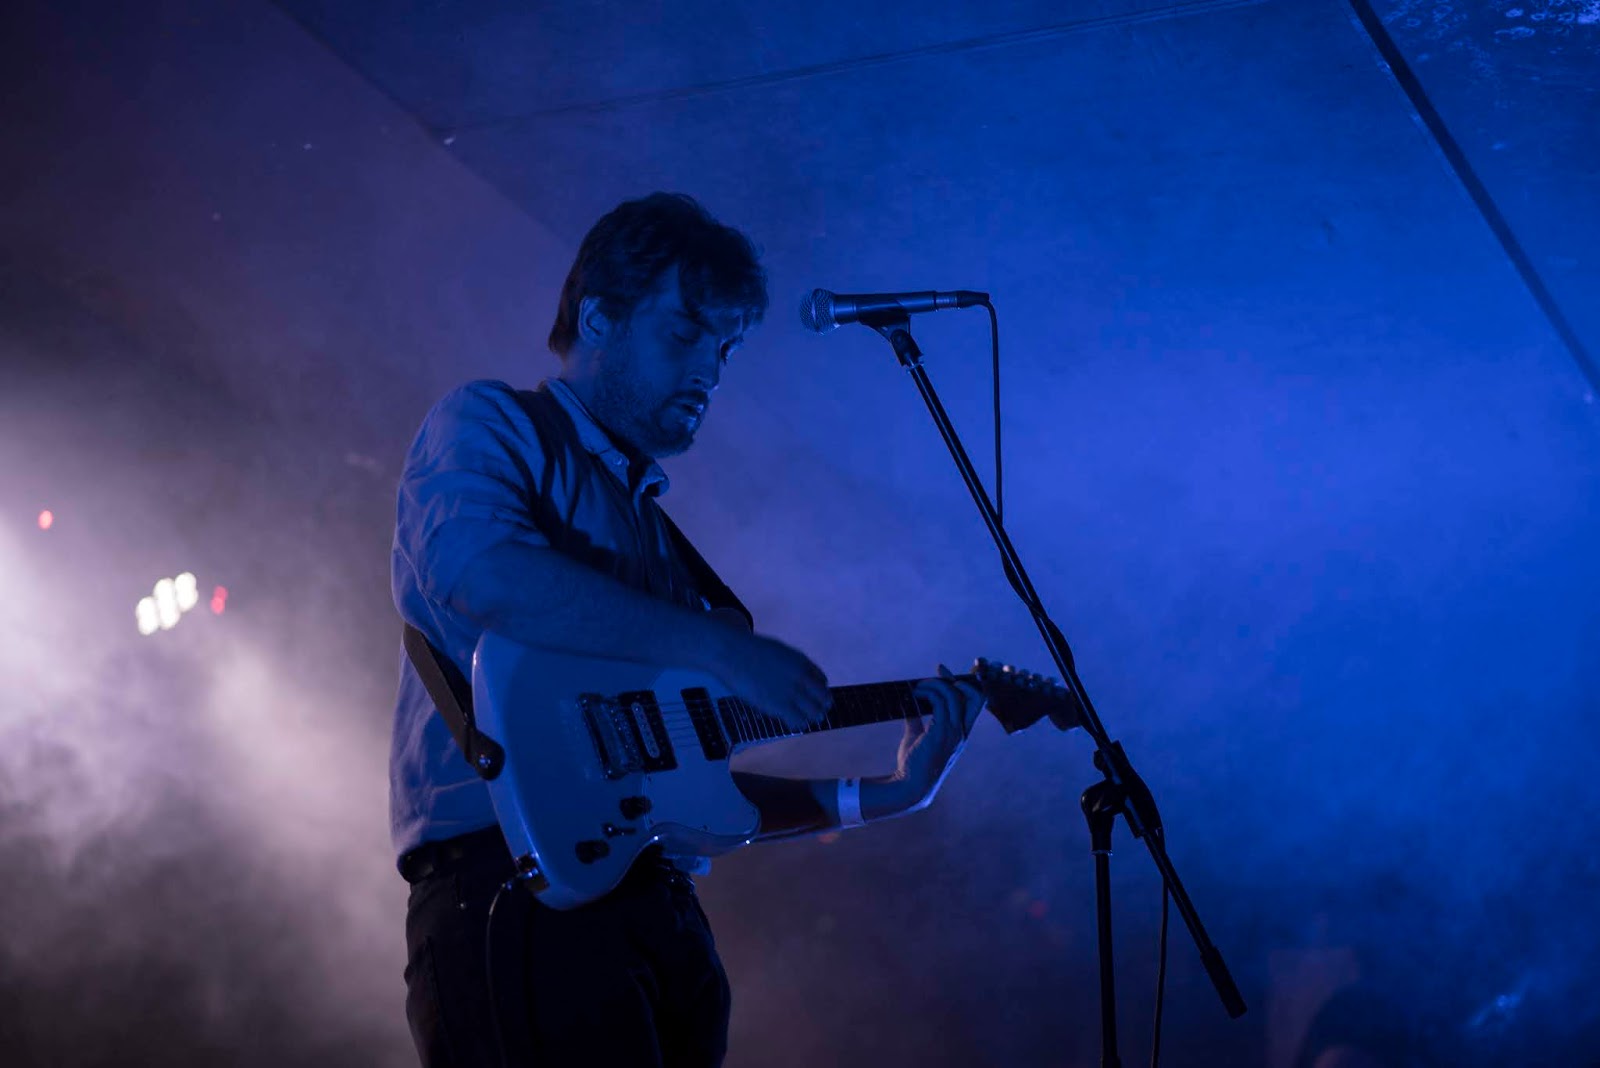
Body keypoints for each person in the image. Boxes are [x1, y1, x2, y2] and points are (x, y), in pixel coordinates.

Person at [389, 191, 986, 1067]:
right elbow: (482, 574)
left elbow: (687, 790)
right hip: (511, 893)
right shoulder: (494, 422)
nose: (710, 367)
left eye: (726, 347)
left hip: (655, 909)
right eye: (685, 332)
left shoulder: (660, 544)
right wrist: (716, 645)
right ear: (599, 318)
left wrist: (879, 795)